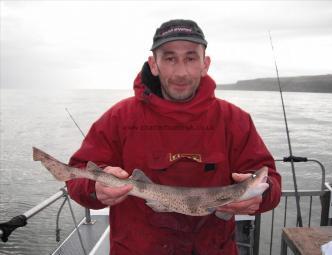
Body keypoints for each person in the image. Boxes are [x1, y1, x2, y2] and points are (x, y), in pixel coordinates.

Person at [66, 19, 281, 255]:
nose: (181, 72)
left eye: (190, 58)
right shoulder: (119, 118)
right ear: (154, 64)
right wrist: (94, 188)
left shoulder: (235, 120)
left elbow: (268, 178)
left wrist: (264, 193)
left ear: (205, 64)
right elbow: (75, 173)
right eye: (170, 59)